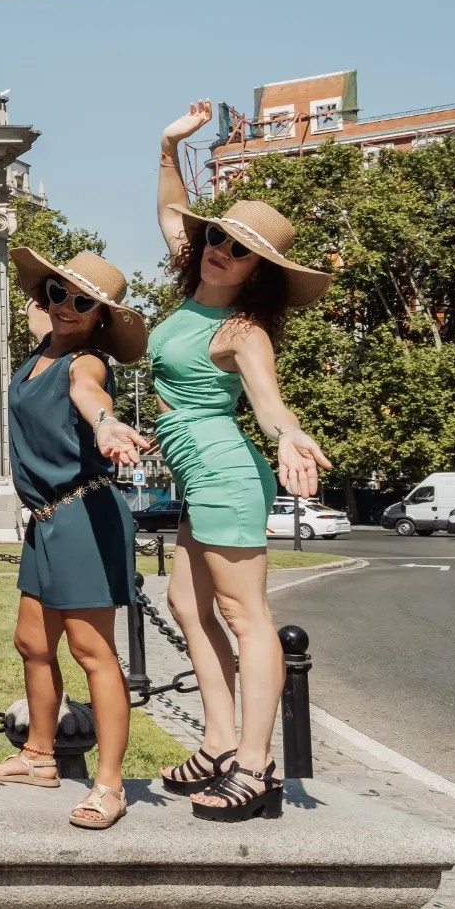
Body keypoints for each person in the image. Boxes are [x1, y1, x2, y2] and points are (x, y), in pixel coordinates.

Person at [150, 100, 333, 822]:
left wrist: (288, 433)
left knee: (245, 614)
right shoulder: (191, 280)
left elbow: (268, 401)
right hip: (200, 474)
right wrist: (168, 147)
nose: (222, 250)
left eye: (240, 249)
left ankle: (257, 768)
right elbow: (172, 208)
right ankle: (220, 742)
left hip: (224, 469)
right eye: (220, 238)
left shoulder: (241, 328)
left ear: (258, 269)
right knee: (185, 604)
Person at [0, 250, 152, 830]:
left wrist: (104, 422)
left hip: (83, 512)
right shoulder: (42, 347)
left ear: (101, 315)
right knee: (31, 641)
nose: (66, 306)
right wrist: (45, 298)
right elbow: (38, 312)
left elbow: (87, 392)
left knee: (92, 652)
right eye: (58, 293)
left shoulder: (86, 362)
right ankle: (38, 756)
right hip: (46, 517)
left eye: (84, 301)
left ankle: (109, 784)